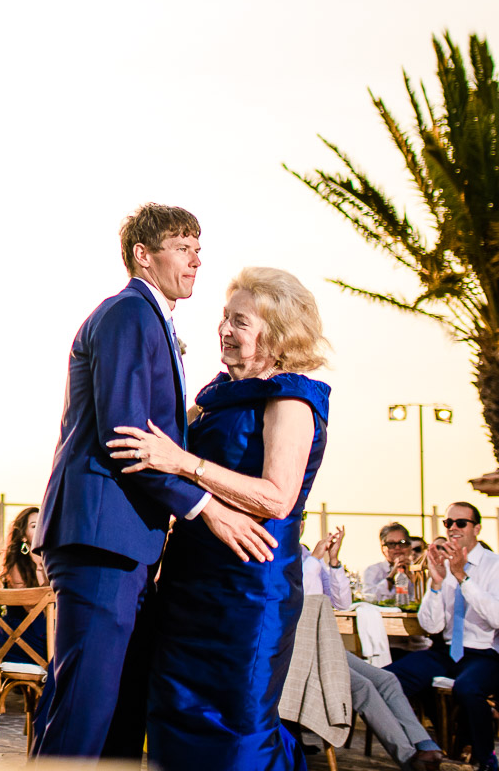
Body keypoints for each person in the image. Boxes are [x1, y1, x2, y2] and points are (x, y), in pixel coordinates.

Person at [29, 204, 276, 760]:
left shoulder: (151, 319)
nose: (196, 259)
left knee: (115, 710)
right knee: (84, 711)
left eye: (198, 247)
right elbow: (126, 437)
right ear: (144, 255)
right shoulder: (128, 313)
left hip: (128, 541)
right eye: (183, 246)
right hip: (102, 537)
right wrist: (207, 507)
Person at [109, 266, 332, 771]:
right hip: (187, 586)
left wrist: (183, 462)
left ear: (276, 335)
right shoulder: (212, 400)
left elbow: (277, 498)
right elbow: (153, 450)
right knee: (172, 716)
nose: (225, 330)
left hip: (249, 591)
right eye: (224, 318)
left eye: (241, 322)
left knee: (237, 727)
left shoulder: (291, 398)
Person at [384, 502, 499, 771]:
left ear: (477, 528)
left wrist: (462, 577)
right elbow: (431, 626)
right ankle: (423, 747)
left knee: (468, 689)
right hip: (445, 651)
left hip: (485, 654)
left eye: (461, 523)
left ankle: (485, 757)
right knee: (387, 680)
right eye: (448, 523)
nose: (453, 528)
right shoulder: (443, 565)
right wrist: (435, 585)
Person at [304, 527, 446, 770]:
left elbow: (342, 603)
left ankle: (426, 746)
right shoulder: (289, 559)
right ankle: (409, 758)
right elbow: (301, 600)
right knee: (365, 687)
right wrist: (316, 561)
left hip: (325, 644)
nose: (300, 523)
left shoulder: (306, 555)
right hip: (300, 649)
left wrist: (334, 562)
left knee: (388, 680)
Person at [0, 507, 49, 665]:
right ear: (23, 535)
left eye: (42, 524)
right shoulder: (16, 563)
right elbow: (32, 609)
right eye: (33, 526)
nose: (40, 530)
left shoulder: (49, 559)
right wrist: (39, 569)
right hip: (21, 634)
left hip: (44, 627)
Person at [364, 522, 418, 603]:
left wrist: (412, 577)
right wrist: (392, 575)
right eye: (391, 544)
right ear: (383, 548)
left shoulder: (418, 570)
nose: (397, 548)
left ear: (410, 547)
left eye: (402, 543)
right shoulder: (372, 570)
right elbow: (370, 598)